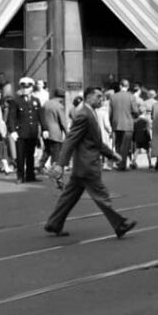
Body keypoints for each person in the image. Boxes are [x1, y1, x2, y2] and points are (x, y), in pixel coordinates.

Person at [43, 86, 136, 240]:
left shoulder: (90, 113)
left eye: (102, 96)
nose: (101, 99)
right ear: (88, 97)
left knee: (69, 197)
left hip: (82, 165)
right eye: (98, 96)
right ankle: (120, 224)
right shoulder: (84, 115)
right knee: (101, 195)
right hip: (88, 165)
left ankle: (54, 223)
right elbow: (71, 140)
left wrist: (112, 154)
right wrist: (60, 163)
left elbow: (95, 142)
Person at [7, 77, 43, 182]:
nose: (25, 89)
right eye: (23, 87)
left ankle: (30, 175)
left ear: (31, 88)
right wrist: (13, 131)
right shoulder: (16, 101)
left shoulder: (36, 100)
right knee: (20, 155)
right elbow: (11, 117)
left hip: (32, 132)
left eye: (27, 87)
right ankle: (20, 176)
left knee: (30, 155)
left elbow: (40, 116)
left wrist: (44, 129)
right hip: (21, 132)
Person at [108, 79, 140, 169]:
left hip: (116, 123)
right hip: (128, 124)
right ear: (128, 87)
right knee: (125, 145)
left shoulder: (113, 97)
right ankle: (122, 164)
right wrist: (134, 117)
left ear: (120, 86)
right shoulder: (131, 96)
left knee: (118, 144)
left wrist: (111, 123)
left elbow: (110, 112)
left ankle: (118, 162)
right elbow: (135, 111)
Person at [40, 88, 69, 172]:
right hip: (55, 132)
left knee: (47, 150)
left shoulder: (46, 104)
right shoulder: (59, 106)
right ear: (62, 98)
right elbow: (63, 122)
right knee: (56, 152)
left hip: (45, 130)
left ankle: (41, 165)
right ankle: (55, 169)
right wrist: (67, 133)